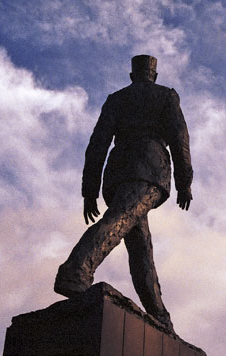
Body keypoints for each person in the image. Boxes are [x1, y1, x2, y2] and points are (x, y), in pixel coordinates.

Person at [55, 54, 192, 332]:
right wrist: (184, 181)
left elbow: (98, 144)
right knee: (119, 219)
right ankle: (76, 270)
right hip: (151, 169)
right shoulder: (166, 96)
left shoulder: (117, 99)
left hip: (118, 172)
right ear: (154, 75)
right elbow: (180, 139)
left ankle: (159, 316)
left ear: (133, 77)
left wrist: (90, 189)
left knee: (140, 245)